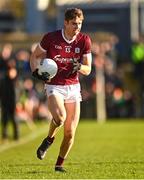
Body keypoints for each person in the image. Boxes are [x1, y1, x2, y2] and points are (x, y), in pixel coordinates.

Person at [30, 8, 92, 172]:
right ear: (65, 22)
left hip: (73, 87)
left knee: (70, 133)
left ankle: (59, 165)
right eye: (74, 24)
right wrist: (36, 72)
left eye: (79, 24)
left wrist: (79, 66)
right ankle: (49, 140)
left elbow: (88, 69)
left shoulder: (84, 40)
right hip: (54, 86)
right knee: (60, 117)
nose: (77, 27)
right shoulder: (51, 38)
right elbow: (34, 56)